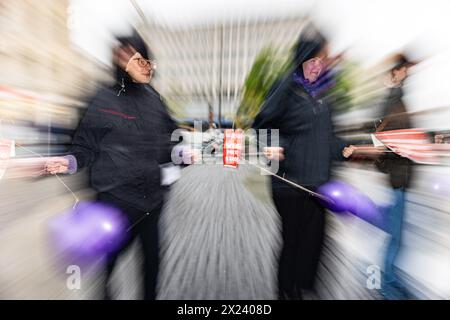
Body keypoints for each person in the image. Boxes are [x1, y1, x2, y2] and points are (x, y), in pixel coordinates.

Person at [44, 31, 183, 299]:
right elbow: (83, 146)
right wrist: (70, 161)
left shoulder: (155, 100)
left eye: (133, 54)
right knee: (108, 268)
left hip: (151, 205)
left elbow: (172, 141)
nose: (126, 59)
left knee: (153, 267)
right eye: (121, 54)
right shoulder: (102, 99)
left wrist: (180, 155)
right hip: (113, 204)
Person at [252, 26, 355, 299]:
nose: (318, 66)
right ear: (302, 57)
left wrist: (344, 148)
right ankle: (286, 291)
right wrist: (274, 145)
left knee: (315, 245)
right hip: (290, 183)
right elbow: (261, 124)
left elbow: (329, 138)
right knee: (294, 243)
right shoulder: (285, 87)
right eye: (314, 59)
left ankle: (306, 289)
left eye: (322, 60)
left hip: (319, 185)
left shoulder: (325, 97)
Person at [374, 54, 417, 299]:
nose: (409, 73)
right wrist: (390, 165)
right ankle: (387, 283)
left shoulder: (397, 98)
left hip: (400, 176)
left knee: (396, 234)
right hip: (398, 177)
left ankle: (390, 278)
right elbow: (380, 137)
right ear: (397, 72)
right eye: (405, 70)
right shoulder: (393, 99)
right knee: (395, 234)